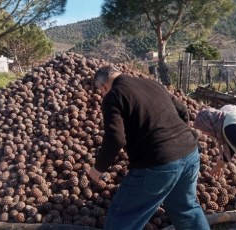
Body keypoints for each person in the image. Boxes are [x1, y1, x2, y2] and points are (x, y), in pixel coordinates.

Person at [86, 65, 209, 230]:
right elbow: (182, 110)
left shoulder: (113, 96)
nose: (102, 94)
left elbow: (115, 138)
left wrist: (98, 169)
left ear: (103, 86)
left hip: (158, 163)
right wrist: (176, 138)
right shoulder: (152, 84)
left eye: (101, 91)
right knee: (186, 208)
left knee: (122, 217)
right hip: (190, 152)